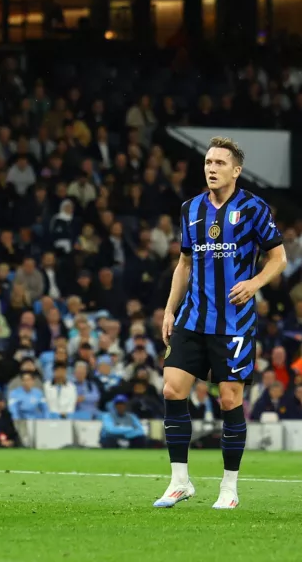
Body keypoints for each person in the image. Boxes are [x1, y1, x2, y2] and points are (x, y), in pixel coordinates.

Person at [158, 137, 287, 510]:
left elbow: (277, 258)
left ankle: (229, 488)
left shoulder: (253, 208)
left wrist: (254, 283)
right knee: (172, 390)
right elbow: (184, 264)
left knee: (229, 399)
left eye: (219, 163)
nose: (211, 168)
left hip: (234, 324)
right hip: (193, 317)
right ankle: (179, 481)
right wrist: (170, 310)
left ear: (236, 170)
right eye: (208, 162)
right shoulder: (191, 209)